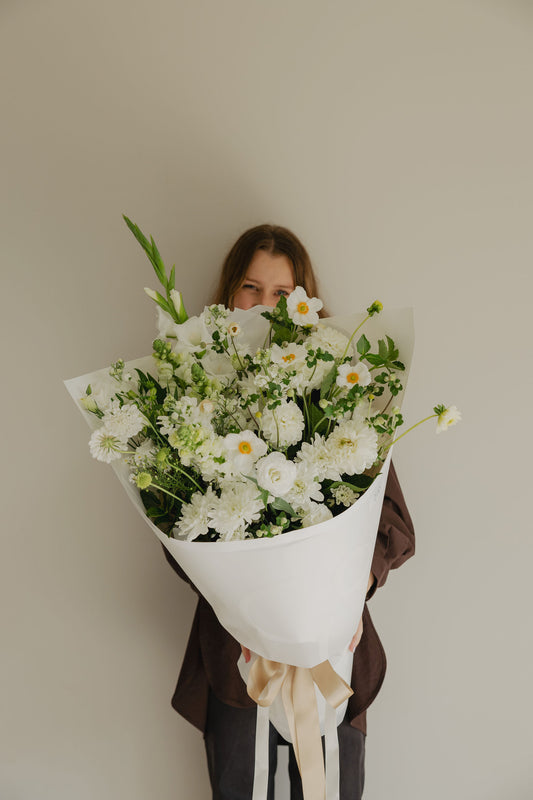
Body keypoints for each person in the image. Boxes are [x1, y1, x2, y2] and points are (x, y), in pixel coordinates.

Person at [163, 224, 415, 800]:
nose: (265, 305)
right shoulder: (196, 398)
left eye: (281, 293)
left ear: (304, 300)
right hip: (237, 657)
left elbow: (393, 526)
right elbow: (176, 528)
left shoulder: (344, 392)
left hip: (334, 655)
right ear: (229, 294)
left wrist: (349, 597)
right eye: (251, 288)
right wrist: (241, 601)